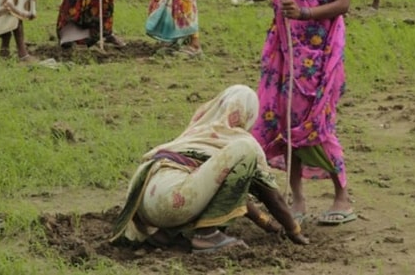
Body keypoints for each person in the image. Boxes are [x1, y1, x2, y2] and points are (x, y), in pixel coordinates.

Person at [249, 0, 355, 226]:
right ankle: (297, 198)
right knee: (286, 120)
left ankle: (342, 196)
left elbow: (343, 3)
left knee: (318, 122)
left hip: (321, 51)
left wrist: (305, 12)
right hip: (285, 50)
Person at [110, 85, 309, 252]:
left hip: (144, 203)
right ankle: (207, 235)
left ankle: (165, 235)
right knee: (245, 151)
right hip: (173, 201)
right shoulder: (240, 140)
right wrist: (293, 229)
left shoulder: (199, 131)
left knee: (200, 182)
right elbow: (272, 196)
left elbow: (225, 189)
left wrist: (267, 224)